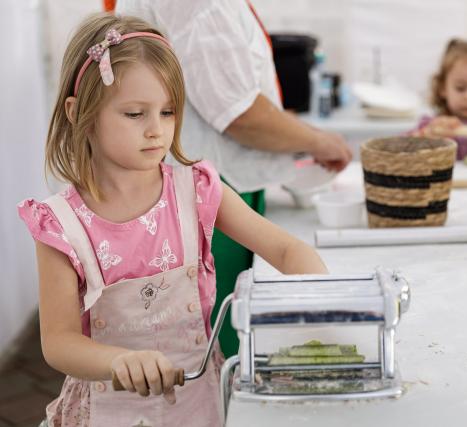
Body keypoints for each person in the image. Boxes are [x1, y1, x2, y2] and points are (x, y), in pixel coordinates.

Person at [18, 13, 329, 426]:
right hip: (108, 413)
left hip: (199, 404)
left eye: (167, 112)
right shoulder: (59, 224)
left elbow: (288, 249)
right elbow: (58, 341)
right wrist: (120, 361)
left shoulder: (196, 188)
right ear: (80, 113)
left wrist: (323, 308)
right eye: (135, 114)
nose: (156, 131)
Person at [115, 0, 352, 358]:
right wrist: (316, 141)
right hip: (202, 196)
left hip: (212, 186)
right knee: (215, 345)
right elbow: (237, 113)